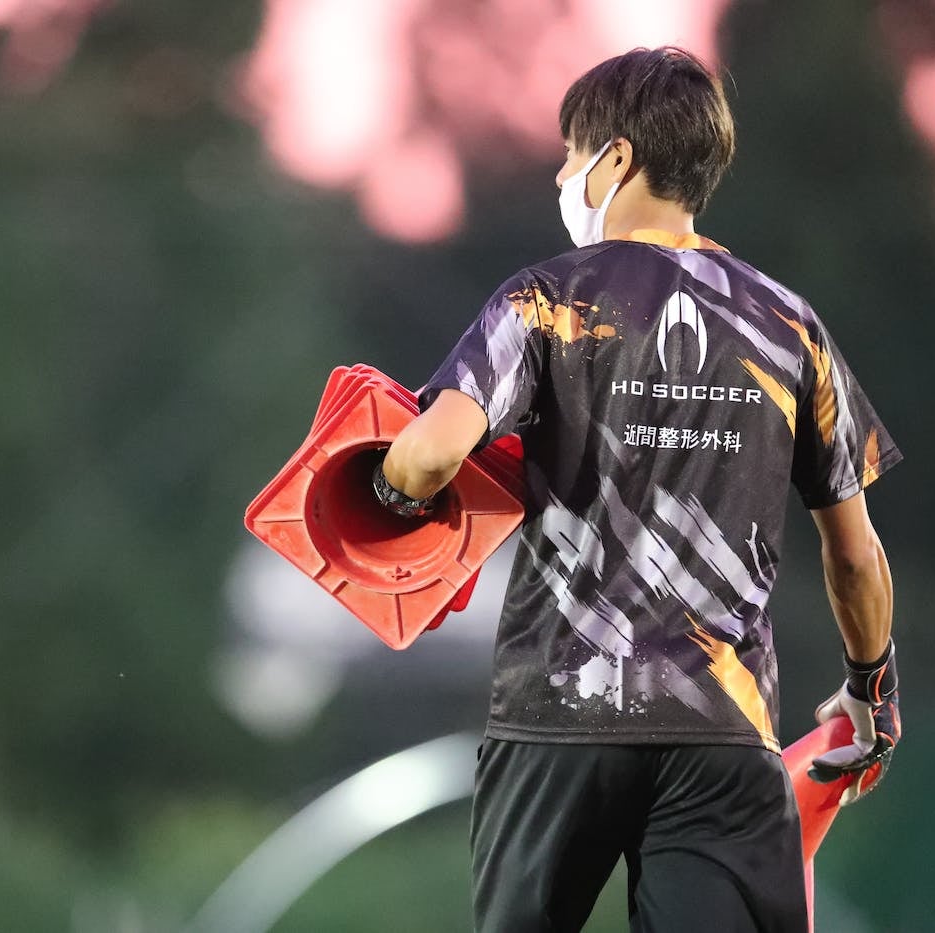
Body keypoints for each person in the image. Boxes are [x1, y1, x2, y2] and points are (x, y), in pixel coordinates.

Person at [371, 47, 900, 932]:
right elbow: (854, 553)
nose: (562, 175)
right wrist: (869, 688)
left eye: (572, 154)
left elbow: (427, 457)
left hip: (557, 714)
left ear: (617, 159)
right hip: (721, 731)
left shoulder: (544, 301)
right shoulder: (790, 327)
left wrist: (388, 495)